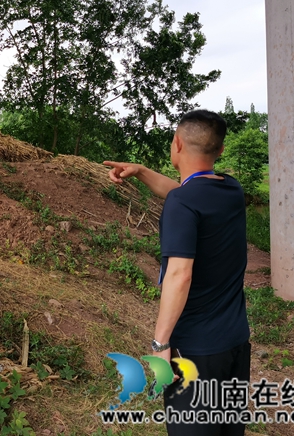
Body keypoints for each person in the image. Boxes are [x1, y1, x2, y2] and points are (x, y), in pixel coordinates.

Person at [104, 110, 250, 436]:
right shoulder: (230, 190)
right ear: (220, 150)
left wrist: (160, 343)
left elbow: (179, 275)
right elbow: (183, 192)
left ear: (177, 143)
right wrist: (141, 172)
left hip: (195, 352)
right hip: (235, 342)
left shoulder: (183, 204)